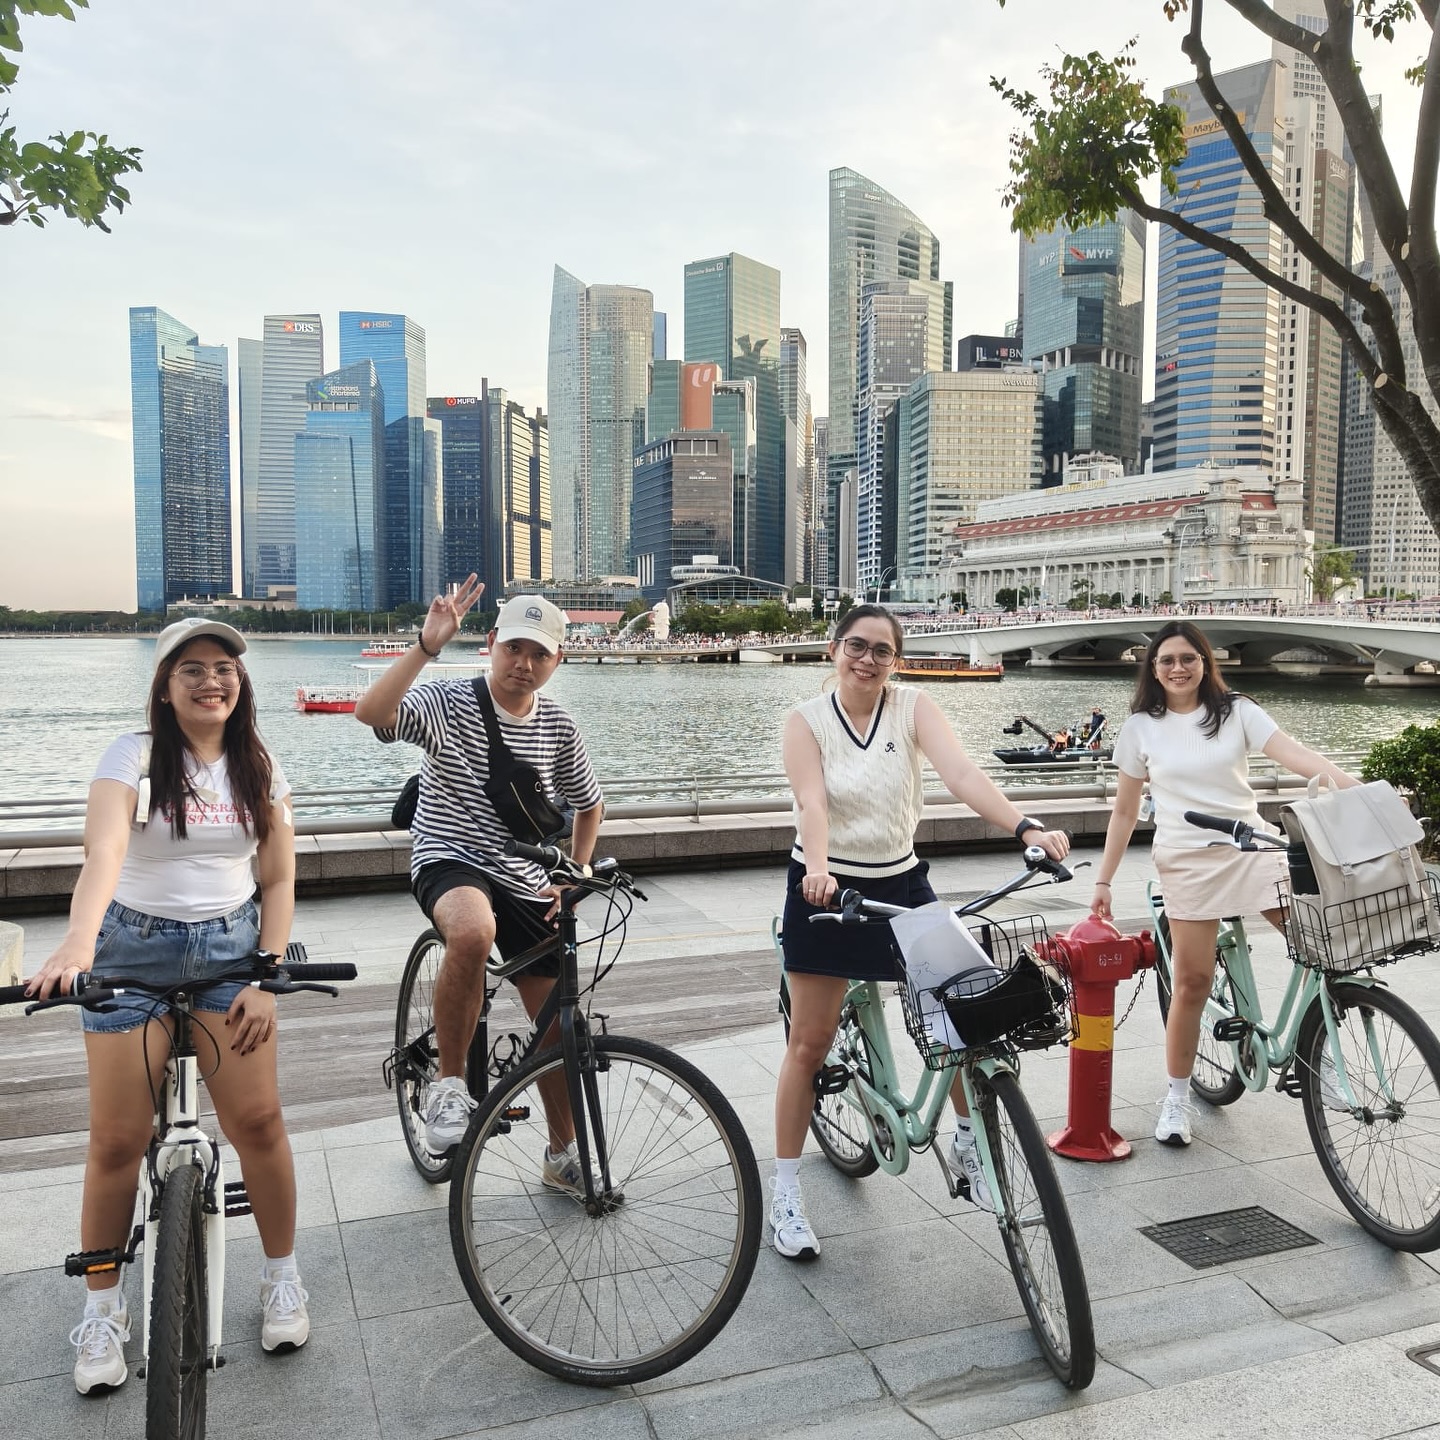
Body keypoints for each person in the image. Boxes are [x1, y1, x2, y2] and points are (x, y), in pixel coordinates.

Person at [27, 618, 305, 1394]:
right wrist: (79, 944)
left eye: (224, 668)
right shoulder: (134, 755)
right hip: (132, 950)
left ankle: (281, 1276)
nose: (211, 681)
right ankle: (105, 1307)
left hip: (230, 955)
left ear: (240, 683)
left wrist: (268, 973)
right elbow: (104, 852)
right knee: (116, 1141)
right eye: (193, 670)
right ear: (164, 684)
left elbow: (279, 879)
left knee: (260, 1124)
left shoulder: (261, 765)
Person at [774, 604, 1070, 1260]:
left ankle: (968, 1140)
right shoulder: (807, 721)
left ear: (896, 659)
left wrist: (1026, 827)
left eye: (882, 650)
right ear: (833, 650)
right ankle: (786, 1191)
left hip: (902, 884)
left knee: (962, 1017)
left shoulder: (912, 708)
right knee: (811, 1042)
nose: (868, 659)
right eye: (857, 646)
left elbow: (962, 775)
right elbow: (812, 803)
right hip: (826, 889)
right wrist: (817, 869)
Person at [354, 579, 605, 1183]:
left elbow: (590, 805)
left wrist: (576, 872)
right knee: (470, 932)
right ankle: (446, 1087)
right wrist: (425, 645)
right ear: (491, 644)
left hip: (522, 871)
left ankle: (561, 1154)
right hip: (447, 855)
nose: (524, 664)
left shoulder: (559, 727)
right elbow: (371, 713)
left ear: (557, 661)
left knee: (554, 1021)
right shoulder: (448, 701)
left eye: (539, 653)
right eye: (514, 648)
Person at [1089, 620, 1357, 1146]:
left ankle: (1305, 1044)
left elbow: (1298, 757)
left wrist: (1363, 790)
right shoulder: (1141, 727)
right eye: (1166, 660)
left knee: (1318, 943)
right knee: (1193, 983)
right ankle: (1177, 1099)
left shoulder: (1237, 711)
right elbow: (1124, 812)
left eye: (1189, 658)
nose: (1178, 668)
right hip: (1187, 859)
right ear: (1153, 669)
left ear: (1206, 662)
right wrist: (1103, 881)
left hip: (1250, 845)